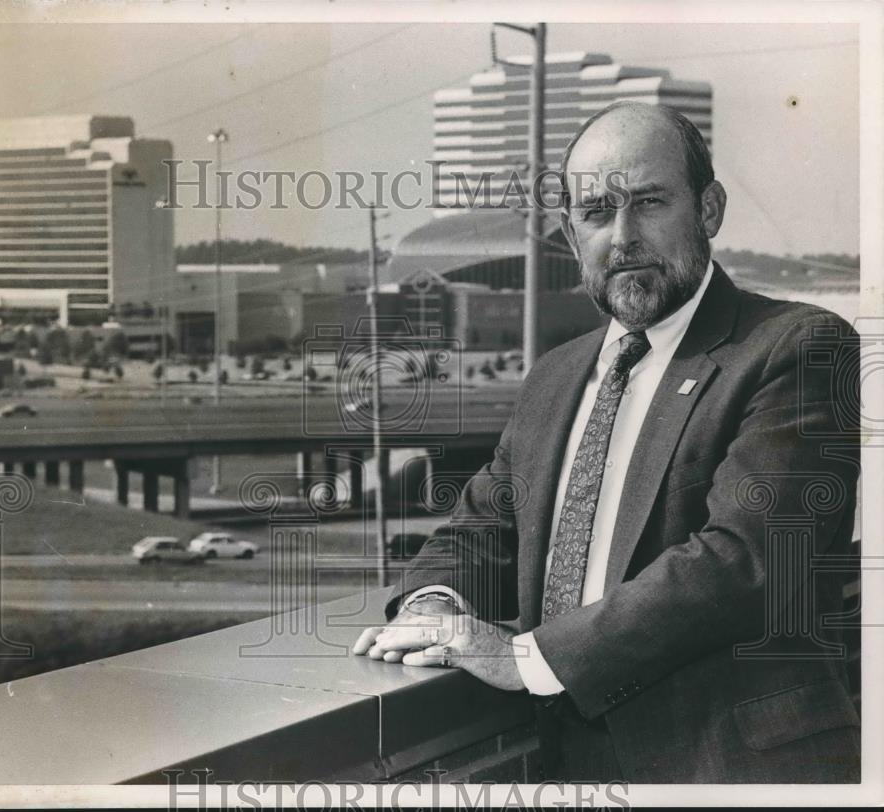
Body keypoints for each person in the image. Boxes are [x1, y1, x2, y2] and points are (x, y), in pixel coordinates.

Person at [352, 101, 861, 783]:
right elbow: (479, 529)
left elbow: (747, 562)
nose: (623, 237)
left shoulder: (800, 347)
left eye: (649, 203)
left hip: (735, 771)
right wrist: (435, 607)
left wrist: (528, 659)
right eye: (596, 212)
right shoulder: (555, 377)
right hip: (569, 769)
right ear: (569, 234)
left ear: (708, 210)